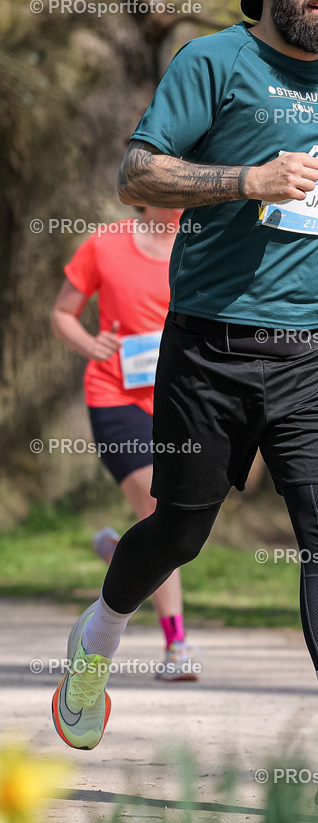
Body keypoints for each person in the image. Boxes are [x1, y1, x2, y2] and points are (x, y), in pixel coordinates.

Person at [51, 0, 318, 812]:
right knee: (182, 528)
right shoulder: (212, 63)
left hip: (310, 351)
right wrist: (243, 182)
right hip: (209, 347)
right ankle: (97, 637)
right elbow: (137, 174)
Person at [50, 206, 198, 683]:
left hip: (182, 398)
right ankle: (177, 646)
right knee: (157, 507)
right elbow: (62, 313)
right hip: (116, 397)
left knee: (182, 521)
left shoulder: (202, 239)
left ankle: (122, 551)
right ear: (143, 190)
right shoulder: (105, 243)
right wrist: (89, 344)